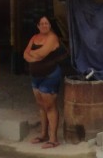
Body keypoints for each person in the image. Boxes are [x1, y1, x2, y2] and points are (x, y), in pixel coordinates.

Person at [23, 16, 64, 149]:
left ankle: (53, 139)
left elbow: (43, 53)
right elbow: (25, 54)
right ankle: (43, 134)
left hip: (50, 75)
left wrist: (32, 54)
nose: (44, 25)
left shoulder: (52, 37)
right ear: (38, 26)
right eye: (42, 23)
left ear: (50, 25)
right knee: (41, 106)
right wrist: (34, 55)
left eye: (47, 23)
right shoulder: (34, 37)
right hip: (36, 76)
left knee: (50, 106)